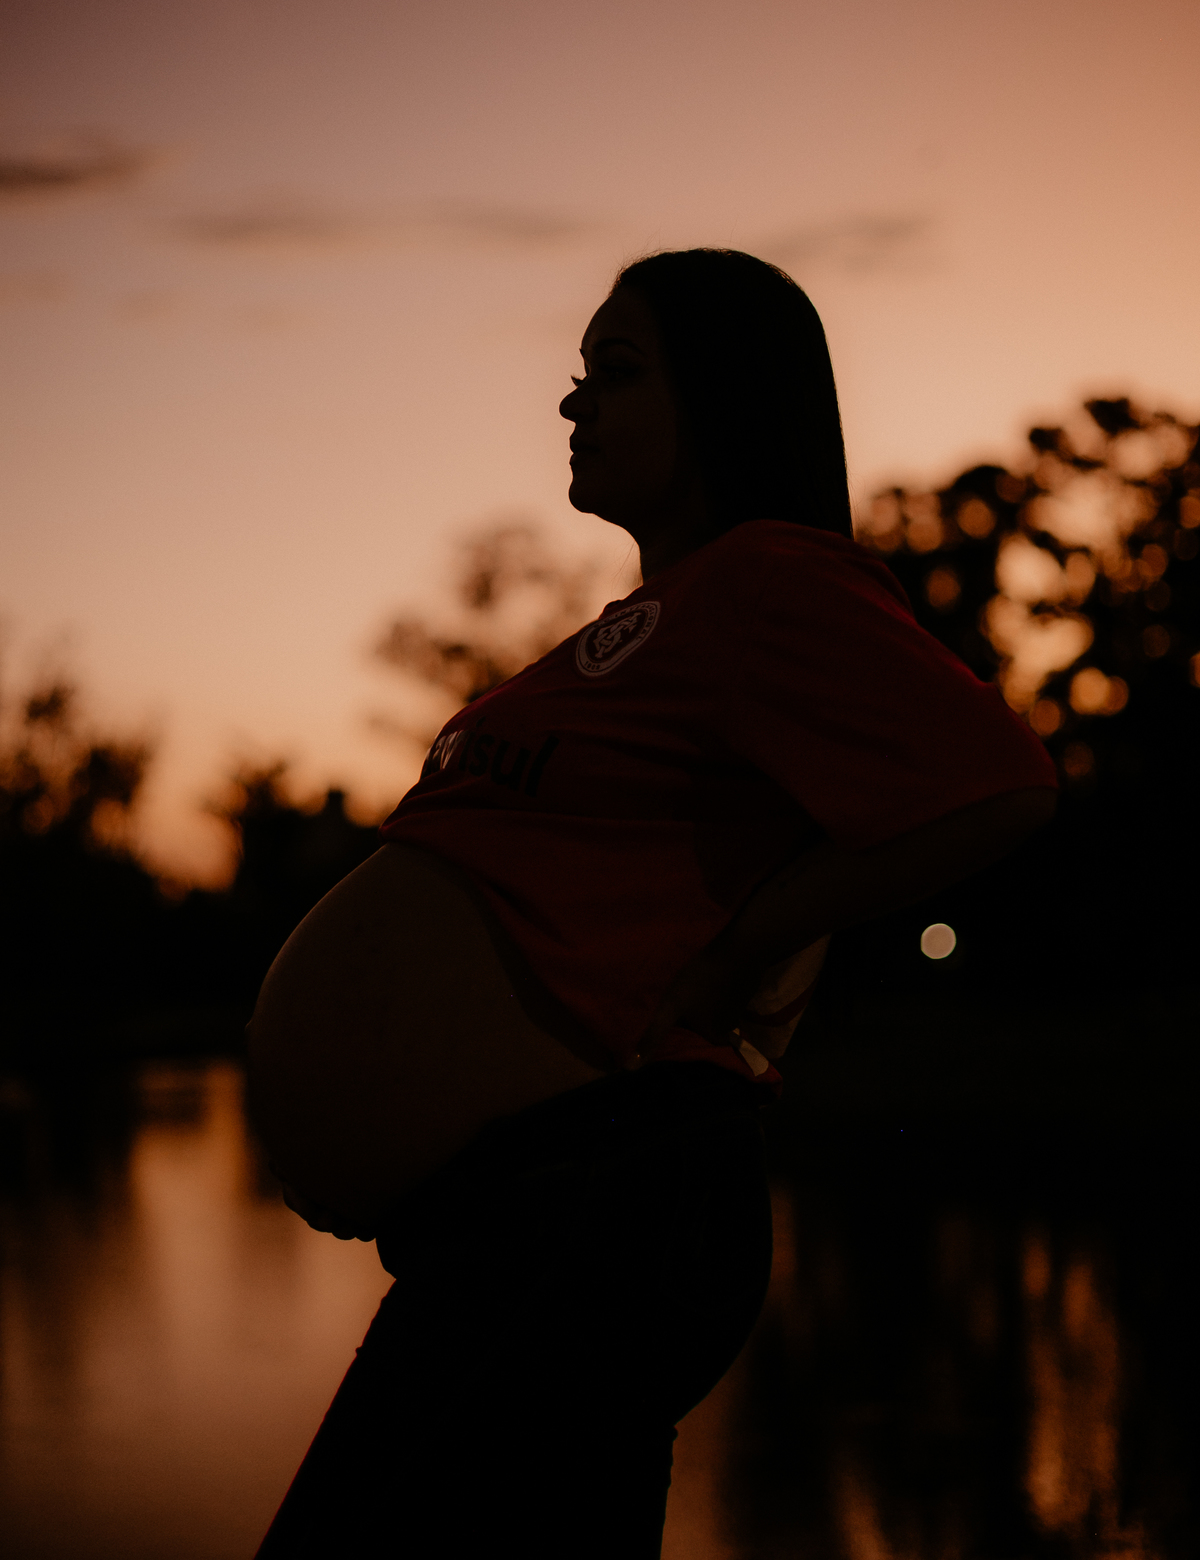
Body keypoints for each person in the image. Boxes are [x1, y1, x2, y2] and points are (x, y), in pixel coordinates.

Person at [249, 249, 1056, 1558]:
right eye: (580, 375)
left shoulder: (770, 579)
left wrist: (736, 956)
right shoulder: (662, 619)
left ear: (728, 399)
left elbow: (999, 784)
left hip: (607, 1187)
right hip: (527, 1207)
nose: (575, 403)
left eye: (616, 373)